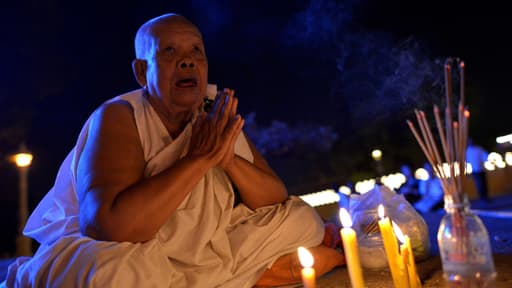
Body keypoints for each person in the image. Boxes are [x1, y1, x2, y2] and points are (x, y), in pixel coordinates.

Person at [2, 14, 343, 288]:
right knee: (119, 274)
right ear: (141, 71)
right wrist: (198, 161)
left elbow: (274, 197)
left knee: (301, 221)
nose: (187, 61)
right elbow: (107, 227)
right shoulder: (121, 116)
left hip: (207, 248)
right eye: (169, 52)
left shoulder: (211, 112)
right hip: (135, 252)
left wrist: (226, 158)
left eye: (197, 51)